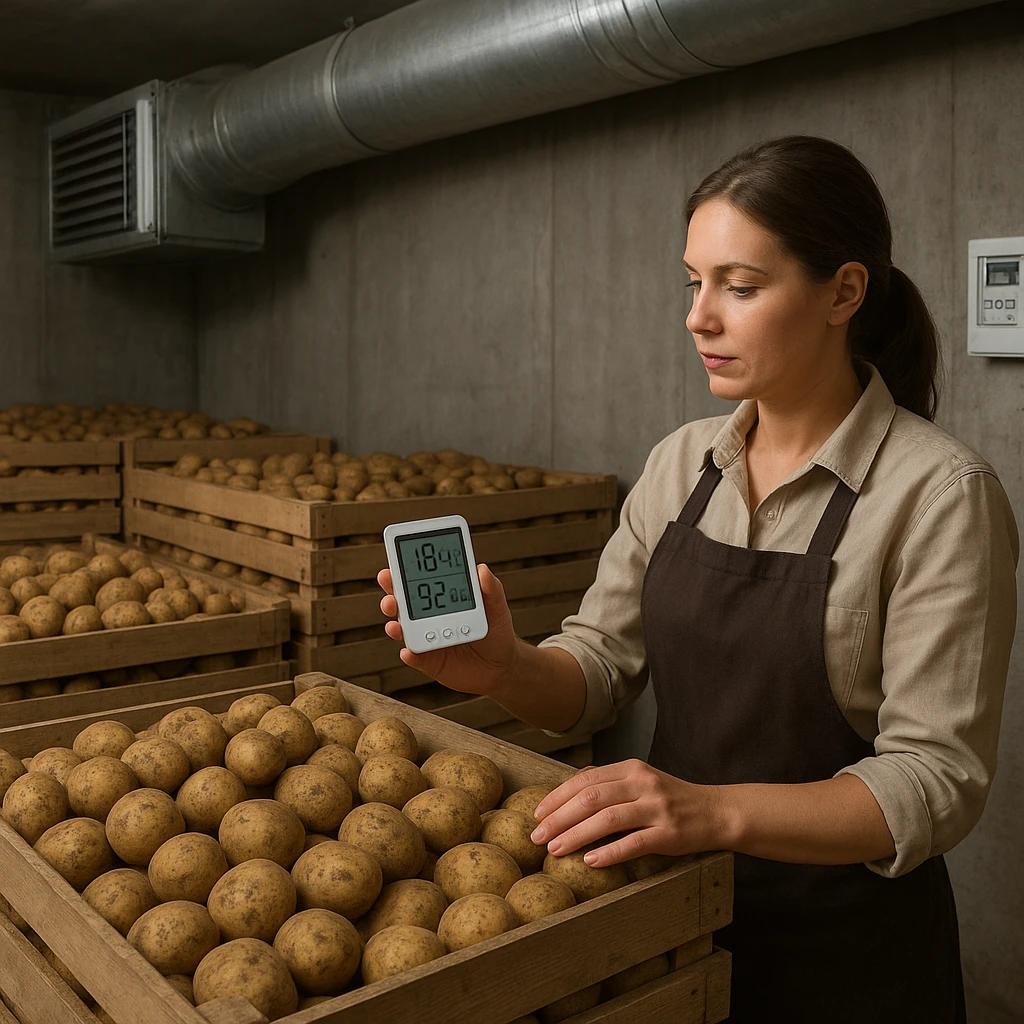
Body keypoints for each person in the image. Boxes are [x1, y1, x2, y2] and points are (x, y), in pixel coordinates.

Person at [377, 135, 1018, 1023]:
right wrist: (508, 666)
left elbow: (935, 781)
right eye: (693, 282)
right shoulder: (682, 465)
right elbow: (599, 670)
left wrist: (708, 812)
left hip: (849, 959)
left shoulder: (941, 495)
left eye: (739, 287)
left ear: (844, 293)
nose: (698, 317)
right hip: (670, 929)